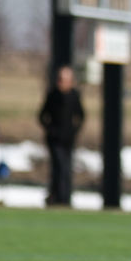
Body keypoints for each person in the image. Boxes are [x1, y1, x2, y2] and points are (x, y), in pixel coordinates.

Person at [37, 65, 85, 207]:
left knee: (66, 168)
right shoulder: (53, 95)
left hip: (68, 139)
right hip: (54, 139)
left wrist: (74, 131)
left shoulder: (74, 95)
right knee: (58, 166)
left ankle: (65, 198)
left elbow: (81, 115)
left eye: (64, 79)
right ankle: (56, 196)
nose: (61, 82)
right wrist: (50, 130)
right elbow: (42, 115)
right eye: (60, 79)